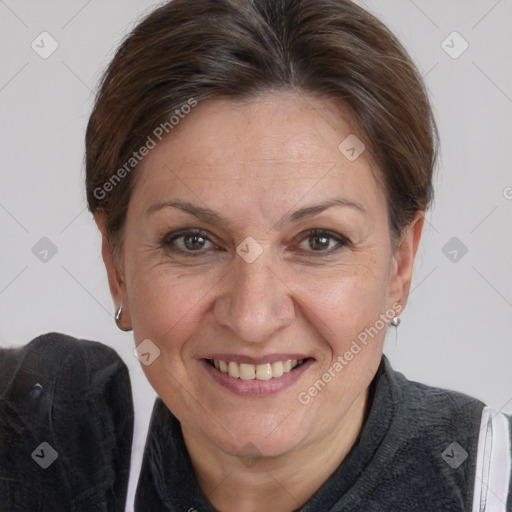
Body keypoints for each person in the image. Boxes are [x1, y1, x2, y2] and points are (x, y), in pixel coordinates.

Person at [1, 0, 510, 511]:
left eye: (319, 240)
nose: (252, 318)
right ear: (117, 267)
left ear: (400, 264)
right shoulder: (41, 449)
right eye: (193, 241)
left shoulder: (490, 482)